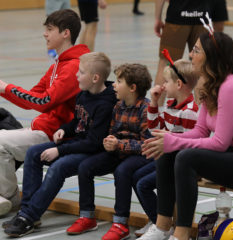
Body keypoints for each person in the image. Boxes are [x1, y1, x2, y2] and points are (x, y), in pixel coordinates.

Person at [3, 52, 117, 238]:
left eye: (81, 72)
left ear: (95, 78)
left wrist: (59, 150)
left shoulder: (106, 104)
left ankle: (28, 216)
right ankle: (27, 213)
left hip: (93, 152)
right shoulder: (84, 94)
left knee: (58, 167)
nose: (76, 75)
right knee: (33, 153)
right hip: (78, 144)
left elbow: (93, 143)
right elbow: (78, 122)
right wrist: (65, 129)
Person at [142, 31, 233, 240]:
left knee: (185, 156)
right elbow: (200, 132)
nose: (191, 54)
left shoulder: (231, 86)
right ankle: (162, 227)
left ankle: (182, 234)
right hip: (232, 154)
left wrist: (173, 141)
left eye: (196, 50)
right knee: (168, 151)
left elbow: (220, 143)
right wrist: (167, 139)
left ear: (211, 56)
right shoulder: (210, 85)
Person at [0, 9, 90, 217]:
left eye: (50, 29)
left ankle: (8, 197)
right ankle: (9, 196)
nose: (45, 34)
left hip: (56, 135)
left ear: (65, 33)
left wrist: (7, 88)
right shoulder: (59, 64)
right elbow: (33, 97)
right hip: (43, 127)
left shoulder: (73, 66)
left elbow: (43, 101)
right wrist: (5, 90)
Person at [66, 63, 152, 240]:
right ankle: (87, 216)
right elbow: (113, 131)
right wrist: (109, 141)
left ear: (132, 88)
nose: (114, 84)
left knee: (122, 172)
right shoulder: (118, 106)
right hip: (119, 151)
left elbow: (146, 144)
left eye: (119, 81)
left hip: (140, 156)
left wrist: (118, 144)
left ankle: (120, 223)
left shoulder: (146, 109)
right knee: (85, 167)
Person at [133, 59, 199, 238]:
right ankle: (162, 226)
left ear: (178, 84)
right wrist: (154, 102)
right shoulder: (170, 104)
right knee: (145, 176)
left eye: (166, 81)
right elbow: (155, 130)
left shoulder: (190, 111)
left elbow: (190, 145)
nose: (163, 85)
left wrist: (166, 143)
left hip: (185, 163)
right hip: (169, 159)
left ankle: (170, 228)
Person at [154, 0, 228, 105]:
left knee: (165, 63)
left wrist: (157, 18)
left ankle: (155, 112)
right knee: (203, 67)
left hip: (177, 17)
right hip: (203, 16)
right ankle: (199, 114)